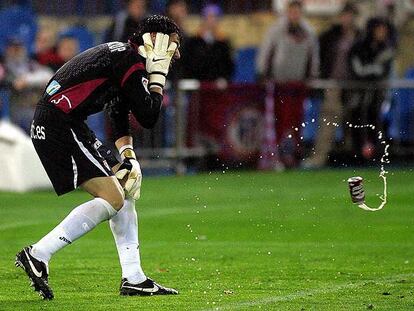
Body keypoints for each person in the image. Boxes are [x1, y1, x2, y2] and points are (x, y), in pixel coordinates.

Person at [15, 15, 181, 299]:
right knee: (114, 197)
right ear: (156, 40)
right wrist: (158, 76)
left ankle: (134, 278)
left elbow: (117, 112)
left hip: (63, 122)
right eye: (174, 45)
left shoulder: (125, 57)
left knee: (124, 188)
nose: (177, 53)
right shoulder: (130, 61)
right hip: (59, 124)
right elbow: (149, 115)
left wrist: (128, 156)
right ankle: (39, 253)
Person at [256, 0, 319, 167]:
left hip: (298, 85)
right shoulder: (276, 30)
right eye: (291, 12)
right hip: (279, 85)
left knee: (296, 121)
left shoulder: (309, 32)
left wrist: (312, 77)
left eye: (297, 12)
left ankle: (294, 155)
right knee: (279, 121)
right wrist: (262, 73)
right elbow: (266, 52)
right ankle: (276, 156)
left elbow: (313, 57)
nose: (294, 15)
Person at [303, 2, 359, 168]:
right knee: (328, 123)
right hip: (332, 85)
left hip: (355, 86)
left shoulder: (361, 37)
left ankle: (352, 160)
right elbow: (317, 56)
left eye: (351, 16)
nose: (348, 19)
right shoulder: (329, 36)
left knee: (354, 124)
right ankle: (318, 158)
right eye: (345, 15)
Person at [346, 17, 395, 160]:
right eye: (379, 30)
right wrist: (373, 71)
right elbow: (358, 71)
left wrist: (373, 72)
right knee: (357, 121)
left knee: (375, 122)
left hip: (376, 95)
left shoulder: (385, 48)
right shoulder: (359, 47)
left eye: (384, 31)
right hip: (358, 93)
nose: (382, 33)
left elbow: (383, 71)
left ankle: (374, 154)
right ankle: (357, 154)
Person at [4, 37, 53, 132]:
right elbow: (17, 84)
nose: (16, 51)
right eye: (13, 48)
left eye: (18, 48)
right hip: (18, 109)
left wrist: (28, 80)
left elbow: (49, 76)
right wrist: (33, 80)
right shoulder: (5, 67)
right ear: (8, 50)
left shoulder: (30, 64)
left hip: (35, 107)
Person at [181, 3, 234, 81]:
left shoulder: (223, 43)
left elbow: (228, 65)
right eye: (209, 16)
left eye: (215, 17)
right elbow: (188, 64)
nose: (212, 20)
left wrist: (224, 79)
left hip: (216, 84)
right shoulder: (193, 42)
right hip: (196, 84)